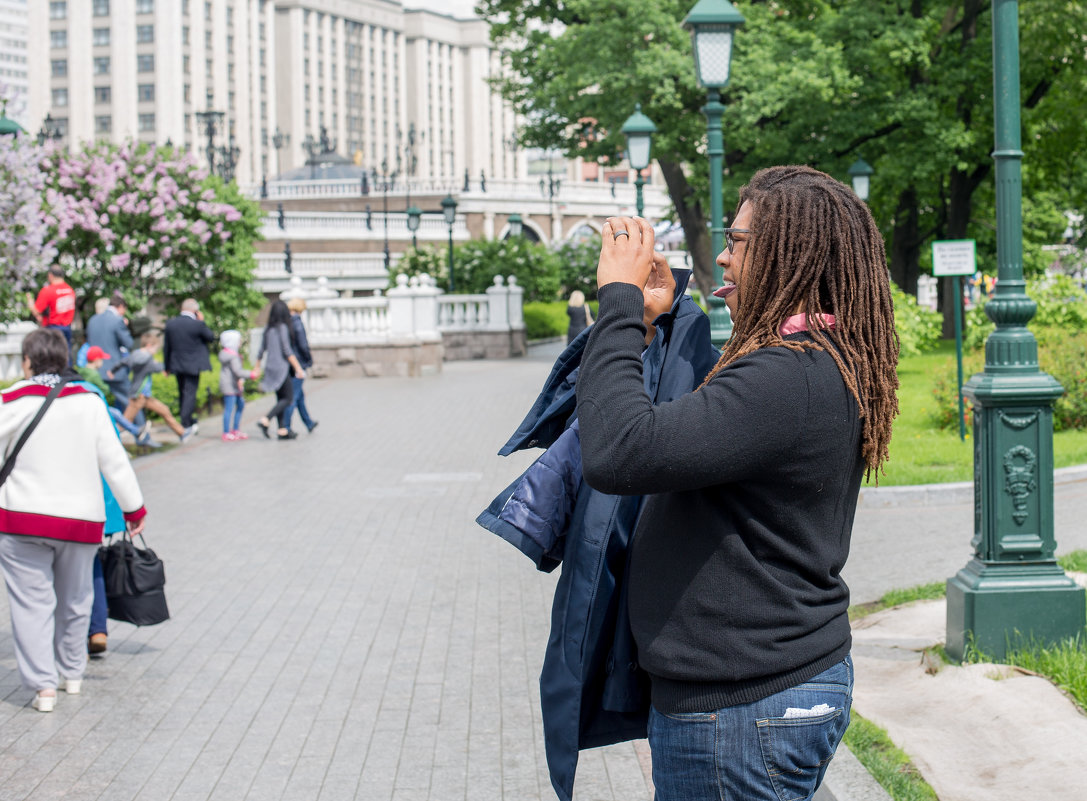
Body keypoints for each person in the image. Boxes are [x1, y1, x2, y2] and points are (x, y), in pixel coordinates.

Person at [575, 166, 900, 801]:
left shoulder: (787, 380)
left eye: (740, 240)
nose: (722, 253)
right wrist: (644, 322)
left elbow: (620, 450)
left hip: (743, 712)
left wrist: (615, 301)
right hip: (755, 698)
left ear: (791, 254)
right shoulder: (802, 364)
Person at [0, 329, 147, 712]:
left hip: (21, 519)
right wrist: (134, 509)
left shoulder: (11, 400)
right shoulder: (89, 401)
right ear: (65, 359)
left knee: (30, 603)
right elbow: (114, 461)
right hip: (80, 521)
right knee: (77, 597)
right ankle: (73, 672)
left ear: (27, 361)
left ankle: (42, 687)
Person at [114, 331, 193, 444]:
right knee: (125, 422)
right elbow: (157, 366)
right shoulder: (145, 359)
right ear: (149, 346)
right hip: (138, 396)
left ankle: (182, 433)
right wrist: (166, 368)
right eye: (155, 349)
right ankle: (110, 439)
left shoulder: (136, 355)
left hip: (144, 396)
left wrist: (112, 371)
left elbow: (123, 362)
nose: (155, 352)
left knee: (164, 410)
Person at [75, 345, 159, 448]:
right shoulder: (94, 375)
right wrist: (106, 386)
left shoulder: (81, 371)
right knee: (116, 414)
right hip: (94, 406)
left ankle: (135, 431)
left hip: (85, 405)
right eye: (102, 359)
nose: (102, 362)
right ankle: (134, 432)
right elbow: (105, 389)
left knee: (115, 414)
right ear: (97, 360)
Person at [163, 298, 215, 438]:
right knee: (190, 394)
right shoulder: (197, 324)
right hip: (193, 365)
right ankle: (185, 423)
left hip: (177, 364)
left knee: (182, 393)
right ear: (195, 311)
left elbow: (166, 347)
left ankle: (187, 420)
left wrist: (166, 366)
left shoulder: (171, 324)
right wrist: (201, 321)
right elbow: (211, 337)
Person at [253, 300, 306, 440]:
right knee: (288, 398)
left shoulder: (268, 328)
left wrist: (257, 367)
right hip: (281, 367)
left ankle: (282, 429)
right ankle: (266, 419)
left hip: (270, 366)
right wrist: (298, 368)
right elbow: (287, 350)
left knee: (280, 398)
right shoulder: (282, 327)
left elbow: (261, 350)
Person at [85, 294, 135, 415]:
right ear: (121, 306)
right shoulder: (118, 321)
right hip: (114, 369)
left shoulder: (92, 320)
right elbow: (128, 343)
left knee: (98, 407)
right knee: (131, 403)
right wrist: (125, 327)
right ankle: (140, 431)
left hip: (96, 370)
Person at [26, 266, 77, 359]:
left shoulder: (48, 290)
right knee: (66, 355)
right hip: (67, 327)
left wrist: (29, 300)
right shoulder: (70, 290)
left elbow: (36, 310)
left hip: (53, 328)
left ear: (50, 275)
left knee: (53, 356)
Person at [284, 297, 318, 434]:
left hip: (290, 362)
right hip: (298, 363)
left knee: (299, 395)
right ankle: (285, 427)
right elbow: (303, 345)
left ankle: (308, 422)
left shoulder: (286, 323)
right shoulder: (297, 323)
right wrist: (308, 359)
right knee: (293, 396)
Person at [218, 329, 249, 442]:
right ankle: (226, 432)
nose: (240, 342)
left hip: (235, 385)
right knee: (229, 408)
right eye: (238, 340)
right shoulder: (232, 356)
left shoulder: (232, 354)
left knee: (240, 405)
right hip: (229, 386)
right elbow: (238, 371)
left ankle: (235, 429)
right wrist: (251, 374)